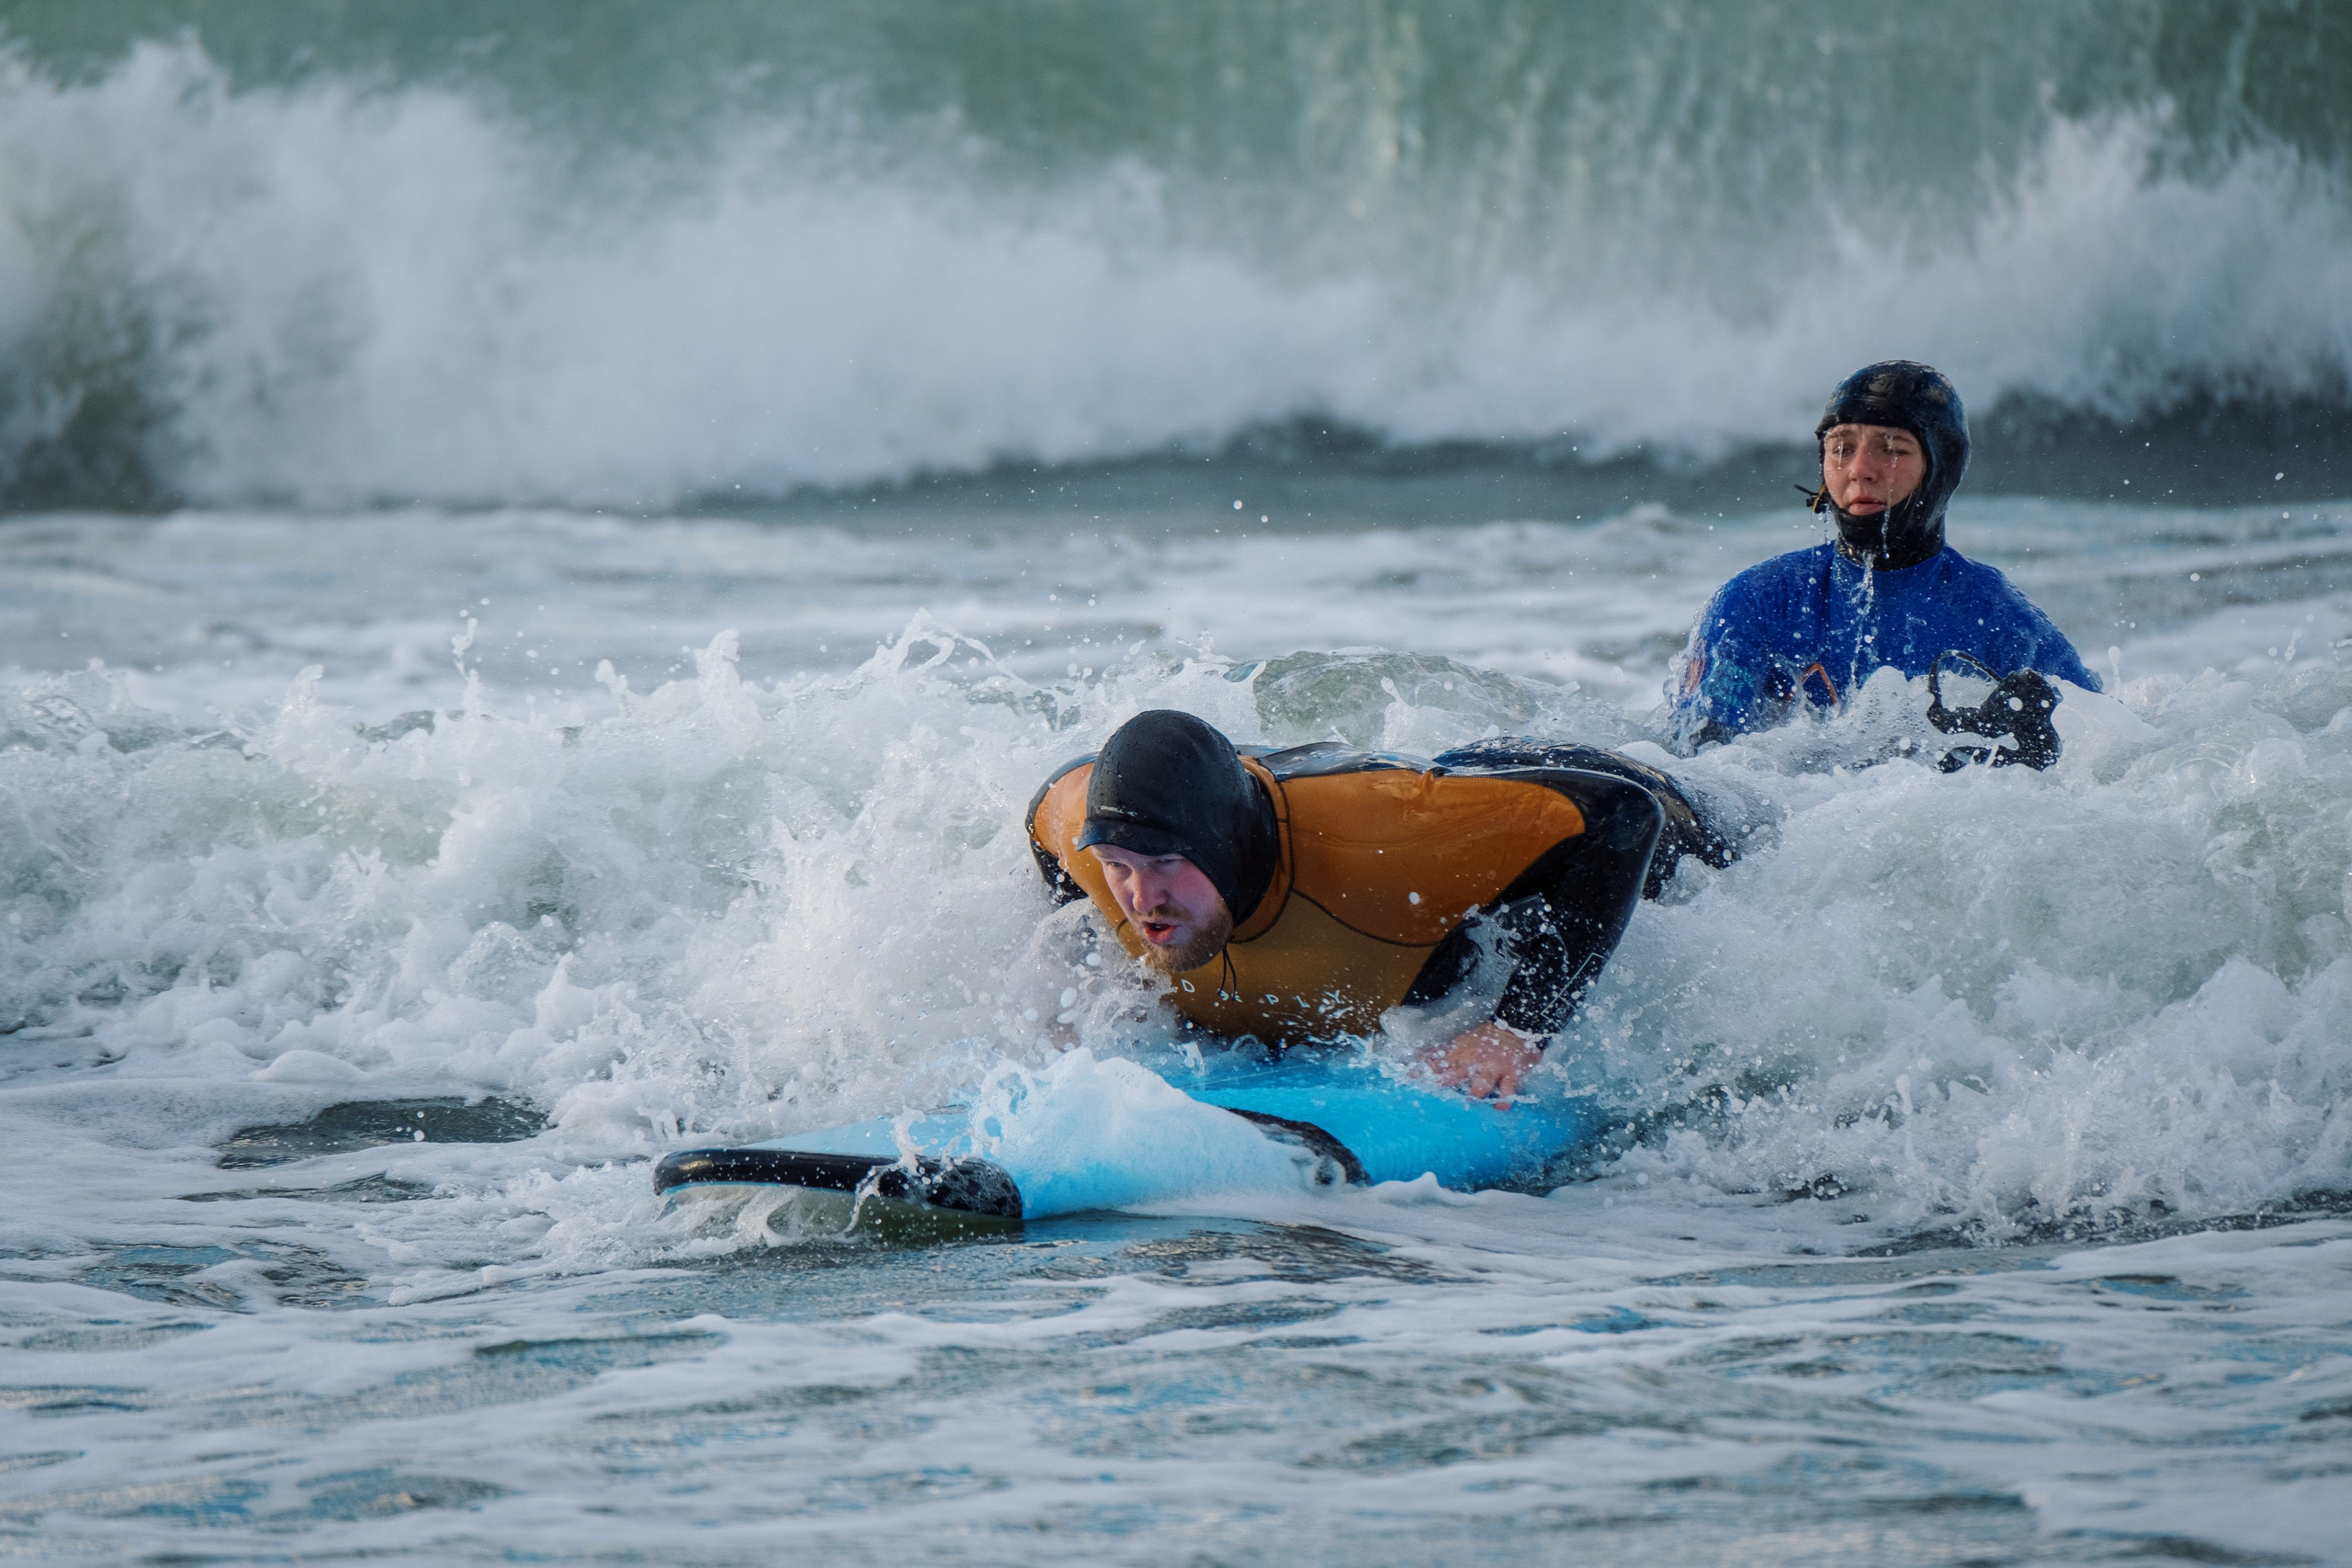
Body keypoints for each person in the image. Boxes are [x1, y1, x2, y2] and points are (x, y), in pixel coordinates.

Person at [1026, 710, 1734, 1099]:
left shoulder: (1385, 836)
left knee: (1746, 821)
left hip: (1621, 805)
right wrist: (1098, 972)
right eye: (1119, 867)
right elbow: (1043, 818)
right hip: (1259, 792)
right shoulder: (1095, 839)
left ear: (1222, 846)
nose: (1141, 897)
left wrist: (1519, 1028)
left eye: (1166, 866)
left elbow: (1622, 817)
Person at [1668, 360, 2099, 753]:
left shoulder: (2001, 621)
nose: (1859, 469)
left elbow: (2111, 753)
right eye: (1841, 448)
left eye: (1891, 448)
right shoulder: (1757, 603)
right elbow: (1699, 761)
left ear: (1939, 466)